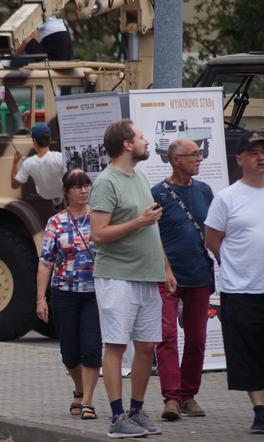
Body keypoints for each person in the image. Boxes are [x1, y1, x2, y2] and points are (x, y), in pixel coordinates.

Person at [89, 119, 175, 438]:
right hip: (117, 276)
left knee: (147, 346)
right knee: (115, 345)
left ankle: (136, 412)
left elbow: (150, 227)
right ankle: (116, 417)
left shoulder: (139, 177)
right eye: (140, 137)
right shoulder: (106, 182)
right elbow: (98, 234)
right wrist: (138, 222)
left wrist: (165, 268)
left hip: (146, 276)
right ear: (127, 144)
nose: (146, 141)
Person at [204, 131, 264, 434]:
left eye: (263, 151)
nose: (261, 157)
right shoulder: (227, 198)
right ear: (240, 159)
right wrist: (235, 264)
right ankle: (260, 410)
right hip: (241, 288)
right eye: (253, 152)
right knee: (247, 352)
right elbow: (212, 239)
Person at [151, 139, 214, 421]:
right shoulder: (158, 194)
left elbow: (214, 231)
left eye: (199, 154)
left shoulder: (205, 191)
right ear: (176, 160)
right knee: (166, 338)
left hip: (200, 275)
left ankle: (189, 395)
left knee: (198, 338)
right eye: (194, 155)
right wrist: (165, 269)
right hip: (168, 278)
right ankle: (172, 399)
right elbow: (151, 237)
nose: (199, 159)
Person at [37, 169, 101, 420]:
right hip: (64, 292)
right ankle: (79, 387)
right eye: (77, 186)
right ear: (67, 191)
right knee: (70, 352)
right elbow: (46, 262)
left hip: (95, 292)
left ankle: (87, 401)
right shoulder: (56, 221)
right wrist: (41, 298)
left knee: (92, 347)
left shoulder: (99, 217)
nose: (84, 190)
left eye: (86, 185)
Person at [11, 123, 65, 205]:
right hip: (63, 196)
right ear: (50, 140)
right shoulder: (61, 158)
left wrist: (15, 163)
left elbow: (14, 185)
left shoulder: (28, 163)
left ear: (34, 141)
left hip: (44, 197)